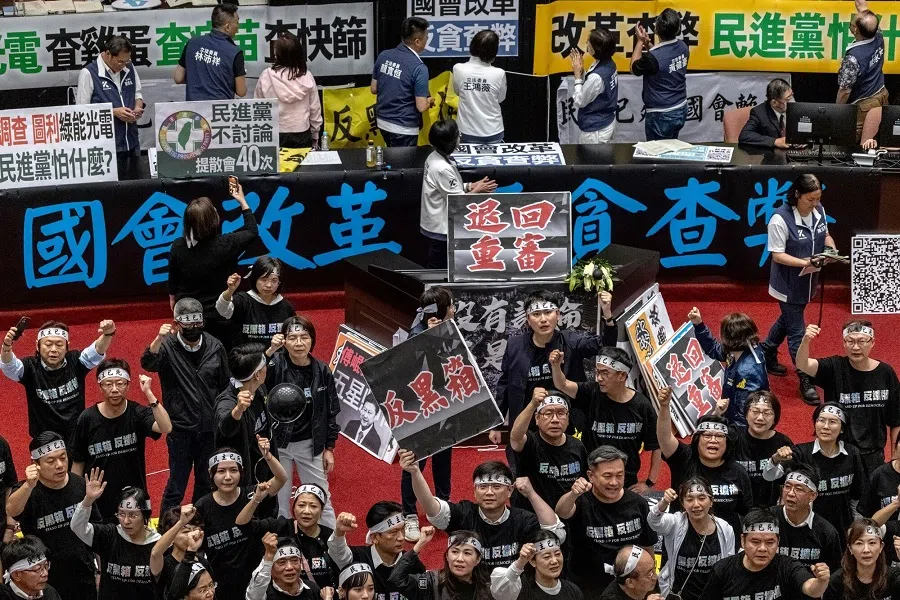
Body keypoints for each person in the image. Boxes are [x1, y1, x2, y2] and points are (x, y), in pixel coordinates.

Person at [492, 289, 616, 456]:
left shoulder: (570, 340)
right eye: (536, 314)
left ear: (557, 315)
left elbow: (605, 346)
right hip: (528, 419)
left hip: (566, 420)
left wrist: (607, 315)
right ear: (527, 319)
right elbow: (505, 384)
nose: (543, 319)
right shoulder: (515, 345)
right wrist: (497, 424)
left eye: (548, 312)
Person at [142, 297, 231, 516]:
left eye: (197, 322)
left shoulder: (215, 346)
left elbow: (224, 386)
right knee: (176, 484)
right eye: (188, 323)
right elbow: (148, 363)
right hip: (180, 429)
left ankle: (200, 525)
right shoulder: (167, 346)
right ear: (177, 323)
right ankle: (167, 528)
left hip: (209, 429)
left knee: (205, 482)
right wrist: (158, 339)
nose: (193, 328)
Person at [401, 456, 565, 570]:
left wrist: (531, 493)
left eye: (496, 487)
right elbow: (430, 506)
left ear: (509, 491)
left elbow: (556, 533)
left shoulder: (522, 519)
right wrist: (415, 472)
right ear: (474, 491)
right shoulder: (464, 514)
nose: (489, 492)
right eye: (483, 487)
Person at [759, 173, 836, 405]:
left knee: (788, 319)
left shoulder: (819, 211)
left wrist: (830, 249)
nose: (815, 203)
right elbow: (777, 255)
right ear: (797, 195)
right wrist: (805, 262)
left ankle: (766, 350)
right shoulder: (779, 219)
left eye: (818, 198)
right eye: (810, 199)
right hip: (788, 283)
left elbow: (826, 235)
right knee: (797, 331)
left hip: (809, 280)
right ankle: (804, 377)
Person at [69, 363, 171, 520]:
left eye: (120, 383)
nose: (114, 389)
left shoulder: (137, 412)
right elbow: (78, 462)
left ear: (128, 385)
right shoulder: (87, 419)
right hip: (98, 501)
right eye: (108, 384)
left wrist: (149, 393)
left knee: (140, 534)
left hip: (136, 498)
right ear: (100, 387)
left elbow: (166, 427)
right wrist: (76, 499)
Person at [798, 321, 900, 477]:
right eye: (850, 341)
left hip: (873, 455)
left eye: (861, 341)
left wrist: (895, 456)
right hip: (839, 453)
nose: (856, 347)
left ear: (872, 342)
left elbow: (896, 419)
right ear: (844, 343)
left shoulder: (885, 373)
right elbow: (802, 364)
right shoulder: (834, 367)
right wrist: (806, 340)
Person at [264, 315, 339, 526]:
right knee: (278, 500)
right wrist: (270, 351)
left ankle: (332, 541)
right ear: (284, 341)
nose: (298, 343)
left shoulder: (322, 371)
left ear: (312, 340)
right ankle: (283, 539)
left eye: (304, 337)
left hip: (310, 444)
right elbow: (254, 376)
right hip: (278, 444)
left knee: (320, 497)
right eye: (292, 338)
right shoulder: (274, 365)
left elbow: (331, 411)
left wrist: (329, 448)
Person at [551, 346, 660, 491]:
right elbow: (562, 384)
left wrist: (649, 482)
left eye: (605, 373)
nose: (599, 378)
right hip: (591, 481)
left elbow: (656, 445)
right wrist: (556, 366)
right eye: (597, 372)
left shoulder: (642, 406)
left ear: (622, 376)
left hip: (624, 483)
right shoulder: (591, 392)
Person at [6, 433, 100, 600]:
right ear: (36, 464)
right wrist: (29, 485)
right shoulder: (27, 490)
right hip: (45, 579)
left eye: (63, 458)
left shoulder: (80, 484)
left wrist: (99, 571)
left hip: (83, 574)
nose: (60, 465)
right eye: (50, 461)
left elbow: (97, 532)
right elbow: (12, 510)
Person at [555, 446, 658, 596]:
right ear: (591, 475)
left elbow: (647, 545)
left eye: (619, 475)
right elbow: (561, 512)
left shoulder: (638, 503)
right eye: (607, 476)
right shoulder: (581, 501)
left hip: (628, 588)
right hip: (587, 587)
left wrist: (650, 580)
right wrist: (573, 494)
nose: (614, 482)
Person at [167, 180, 258, 347]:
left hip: (188, 315)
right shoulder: (227, 244)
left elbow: (173, 281)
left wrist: (174, 301)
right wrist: (242, 200)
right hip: (220, 316)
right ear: (214, 220)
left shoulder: (178, 245)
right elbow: (252, 230)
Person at [656, 387, 753, 539]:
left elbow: (747, 512)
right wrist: (664, 407)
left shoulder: (738, 471)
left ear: (727, 443)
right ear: (697, 440)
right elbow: (665, 437)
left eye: (719, 436)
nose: (713, 440)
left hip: (724, 541)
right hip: (683, 539)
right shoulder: (684, 459)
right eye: (707, 435)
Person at [194, 443, 287, 600]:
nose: (228, 477)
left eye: (233, 470)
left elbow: (281, 478)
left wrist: (268, 456)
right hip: (221, 584)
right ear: (211, 473)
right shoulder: (202, 506)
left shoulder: (253, 494)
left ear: (241, 471)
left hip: (255, 581)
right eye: (221, 471)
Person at [764, 403, 865, 544]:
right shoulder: (801, 452)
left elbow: (856, 497)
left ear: (842, 428)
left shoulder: (852, 453)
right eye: (821, 420)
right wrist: (775, 459)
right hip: (808, 531)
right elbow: (769, 476)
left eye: (832, 422)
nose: (825, 426)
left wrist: (856, 528)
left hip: (842, 528)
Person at [1, 319, 116, 441]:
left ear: (67, 346)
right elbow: (9, 366)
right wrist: (6, 347)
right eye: (48, 344)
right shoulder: (30, 367)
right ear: (37, 346)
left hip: (77, 436)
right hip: (45, 440)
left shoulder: (76, 361)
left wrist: (108, 334)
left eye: (59, 345)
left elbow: (96, 351)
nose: (54, 349)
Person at [402, 286, 455, 542]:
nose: (454, 310)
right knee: (415, 462)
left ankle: (443, 505)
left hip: (443, 403)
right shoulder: (417, 335)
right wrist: (430, 338)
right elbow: (412, 368)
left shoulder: (447, 330)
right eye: (450, 306)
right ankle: (409, 514)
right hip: (420, 407)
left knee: (443, 457)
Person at [699, 508, 831, 600]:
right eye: (755, 542)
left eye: (770, 542)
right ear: (743, 541)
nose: (762, 548)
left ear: (778, 542)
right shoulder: (722, 570)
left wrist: (821, 581)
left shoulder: (787, 566)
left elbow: (811, 589)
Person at [420, 119, 497, 269]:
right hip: (440, 230)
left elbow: (446, 188)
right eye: (458, 135)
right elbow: (458, 201)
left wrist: (469, 186)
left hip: (436, 224)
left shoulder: (434, 156)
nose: (459, 137)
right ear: (451, 142)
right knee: (438, 270)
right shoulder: (441, 168)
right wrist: (478, 189)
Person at [70, 473, 161, 600]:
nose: (126, 521)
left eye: (133, 515)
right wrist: (88, 500)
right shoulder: (109, 535)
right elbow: (77, 527)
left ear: (145, 516)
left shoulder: (158, 545)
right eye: (121, 514)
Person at [235, 483, 340, 589]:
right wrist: (256, 499)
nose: (306, 511)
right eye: (301, 505)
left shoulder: (330, 536)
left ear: (322, 510)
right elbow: (242, 525)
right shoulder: (281, 526)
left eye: (313, 506)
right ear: (293, 507)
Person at [215, 344, 278, 515]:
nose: (267, 366)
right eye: (264, 364)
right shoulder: (227, 402)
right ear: (257, 374)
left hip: (264, 470)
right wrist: (238, 410)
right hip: (243, 483)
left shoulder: (259, 389)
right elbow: (225, 428)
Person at [649, 479, 736, 600]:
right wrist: (664, 502)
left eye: (701, 498)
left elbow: (728, 566)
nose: (696, 504)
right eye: (689, 499)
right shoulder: (675, 523)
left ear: (711, 501)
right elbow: (653, 521)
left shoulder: (725, 529)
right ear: (683, 503)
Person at [327, 501, 425, 600]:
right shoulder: (358, 559)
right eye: (393, 532)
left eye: (403, 529)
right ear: (374, 537)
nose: (401, 537)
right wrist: (339, 532)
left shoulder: (412, 564)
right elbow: (337, 553)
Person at [508, 388, 587, 511]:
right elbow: (515, 436)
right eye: (548, 413)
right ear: (537, 418)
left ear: (568, 418)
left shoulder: (578, 446)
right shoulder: (530, 443)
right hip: (533, 515)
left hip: (568, 513)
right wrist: (532, 405)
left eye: (561, 413)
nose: (555, 419)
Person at [689, 308, 769, 427]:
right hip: (730, 410)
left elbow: (744, 414)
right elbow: (714, 349)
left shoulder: (747, 372)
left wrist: (731, 432)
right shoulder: (739, 348)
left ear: (728, 339)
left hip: (741, 425)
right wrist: (699, 325)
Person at [75, 35, 144, 158]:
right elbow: (81, 112)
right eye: (120, 61)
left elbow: (137, 94)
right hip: (105, 147)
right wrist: (114, 112)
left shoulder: (129, 67)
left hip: (132, 141)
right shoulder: (89, 73)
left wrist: (138, 108)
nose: (123, 65)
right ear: (107, 54)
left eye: (127, 61)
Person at [371, 17, 432, 147]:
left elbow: (374, 88)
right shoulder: (419, 68)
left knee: (391, 155)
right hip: (404, 128)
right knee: (404, 160)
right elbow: (421, 107)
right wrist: (429, 101)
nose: (427, 40)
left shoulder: (383, 55)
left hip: (382, 121)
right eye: (426, 37)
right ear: (417, 41)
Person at [255, 33, 323, 149]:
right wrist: (315, 134)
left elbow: (257, 108)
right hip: (302, 133)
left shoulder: (266, 75)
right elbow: (315, 109)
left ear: (276, 53)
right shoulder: (307, 76)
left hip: (273, 132)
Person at [630, 9, 690, 141]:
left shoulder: (653, 58)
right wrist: (647, 44)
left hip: (661, 114)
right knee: (672, 146)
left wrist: (639, 41)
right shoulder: (683, 47)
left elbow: (634, 69)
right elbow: (662, 59)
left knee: (658, 151)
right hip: (680, 107)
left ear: (656, 30)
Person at [388, 527, 491, 600]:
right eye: (455, 552)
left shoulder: (487, 588)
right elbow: (396, 580)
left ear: (477, 559)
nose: (460, 559)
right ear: (447, 556)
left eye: (467, 553)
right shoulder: (432, 582)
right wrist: (420, 544)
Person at [730, 392, 793, 508]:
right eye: (755, 411)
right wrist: (717, 413)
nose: (760, 418)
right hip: (735, 507)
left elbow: (788, 481)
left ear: (775, 418)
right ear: (746, 414)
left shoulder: (783, 443)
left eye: (767, 413)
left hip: (768, 509)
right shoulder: (734, 436)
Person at [774, 465, 843, 571]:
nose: (790, 493)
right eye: (787, 487)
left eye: (798, 489)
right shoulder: (768, 520)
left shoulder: (827, 533)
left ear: (812, 496)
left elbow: (835, 571)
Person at [216, 257, 297, 348]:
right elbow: (222, 310)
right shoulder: (243, 300)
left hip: (277, 355)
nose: (268, 285)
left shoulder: (286, 306)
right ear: (255, 279)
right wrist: (230, 290)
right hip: (246, 355)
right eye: (264, 279)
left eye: (274, 280)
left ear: (279, 282)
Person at [837, 0, 888, 139]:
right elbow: (863, 7)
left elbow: (844, 91)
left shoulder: (853, 58)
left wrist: (837, 112)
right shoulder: (878, 34)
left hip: (865, 106)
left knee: (860, 143)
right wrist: (862, 7)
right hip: (882, 95)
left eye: (852, 23)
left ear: (855, 30)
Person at [174, 4, 247, 100]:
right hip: (219, 108)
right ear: (227, 27)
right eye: (237, 22)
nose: (238, 26)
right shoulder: (234, 52)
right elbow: (241, 91)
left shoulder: (192, 43)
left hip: (193, 108)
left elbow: (178, 78)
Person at [489, 531, 583, 600]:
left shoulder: (573, 591)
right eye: (547, 557)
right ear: (532, 561)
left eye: (557, 554)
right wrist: (521, 562)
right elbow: (499, 592)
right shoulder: (519, 589)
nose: (554, 561)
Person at [452, 30, 506, 144]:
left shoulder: (458, 69)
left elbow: (457, 92)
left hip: (466, 131)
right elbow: (501, 99)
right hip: (493, 131)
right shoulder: (499, 73)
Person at [824, 519, 900, 600]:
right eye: (859, 543)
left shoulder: (894, 577)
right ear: (850, 548)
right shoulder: (836, 582)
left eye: (872, 543)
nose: (866, 550)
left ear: (881, 547)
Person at [569, 28, 619, 144]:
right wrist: (582, 71)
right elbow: (594, 88)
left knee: (589, 156)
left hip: (595, 132)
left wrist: (577, 76)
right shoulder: (609, 63)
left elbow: (580, 101)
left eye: (589, 42)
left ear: (595, 49)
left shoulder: (597, 77)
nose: (586, 43)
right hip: (606, 123)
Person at [151, 505, 209, 600]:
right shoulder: (163, 565)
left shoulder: (203, 562)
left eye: (196, 529)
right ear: (172, 536)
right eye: (186, 531)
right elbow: (155, 553)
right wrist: (181, 522)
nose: (193, 534)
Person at [246, 533, 324, 600]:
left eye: (294, 560)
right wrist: (269, 556)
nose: (289, 567)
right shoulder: (263, 592)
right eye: (282, 562)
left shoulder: (312, 589)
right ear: (271, 567)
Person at [738, 78, 795, 149]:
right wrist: (775, 141)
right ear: (774, 103)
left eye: (792, 95)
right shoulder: (759, 113)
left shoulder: (796, 108)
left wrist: (803, 140)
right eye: (788, 99)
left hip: (795, 151)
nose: (792, 101)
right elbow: (744, 135)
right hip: (772, 153)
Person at [0, 536, 62, 600]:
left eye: (46, 566)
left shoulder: (49, 593)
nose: (45, 573)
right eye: (37, 569)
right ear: (16, 575)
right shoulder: (4, 596)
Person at [597, 545, 663, 600]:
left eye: (654, 568)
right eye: (649, 574)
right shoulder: (610, 598)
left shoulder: (651, 582)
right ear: (630, 582)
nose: (655, 577)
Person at [861, 436, 900, 520]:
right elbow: (869, 519)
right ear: (896, 446)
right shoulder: (879, 475)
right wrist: (897, 503)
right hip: (882, 527)